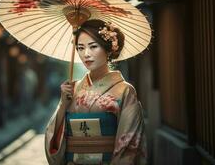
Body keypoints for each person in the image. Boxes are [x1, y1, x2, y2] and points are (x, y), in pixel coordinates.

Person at [45, 19, 147, 165]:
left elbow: (129, 144)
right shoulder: (71, 90)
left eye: (93, 46)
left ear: (108, 49)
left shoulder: (125, 91)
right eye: (80, 48)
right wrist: (63, 105)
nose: (86, 54)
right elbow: (53, 140)